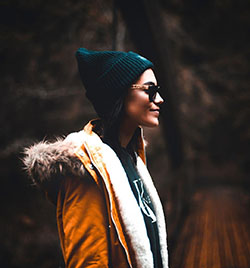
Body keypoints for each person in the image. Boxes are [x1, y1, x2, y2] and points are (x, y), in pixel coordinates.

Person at [23, 48, 169, 268]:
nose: (160, 99)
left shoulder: (131, 158)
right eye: (150, 90)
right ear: (120, 93)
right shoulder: (85, 171)